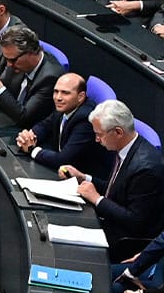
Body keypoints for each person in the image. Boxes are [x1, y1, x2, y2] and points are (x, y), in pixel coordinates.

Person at [61, 99, 164, 258]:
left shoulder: (146, 168)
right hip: (110, 222)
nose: (97, 140)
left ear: (117, 132)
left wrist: (97, 199)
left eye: (99, 134)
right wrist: (84, 178)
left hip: (123, 241)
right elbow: (117, 189)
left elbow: (135, 222)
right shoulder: (125, 148)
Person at [17, 72, 102, 176]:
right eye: (56, 91)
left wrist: (31, 149)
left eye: (65, 93)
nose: (58, 97)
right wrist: (29, 136)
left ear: (81, 97)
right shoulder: (65, 106)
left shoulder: (86, 119)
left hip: (79, 177)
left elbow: (63, 160)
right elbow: (44, 126)